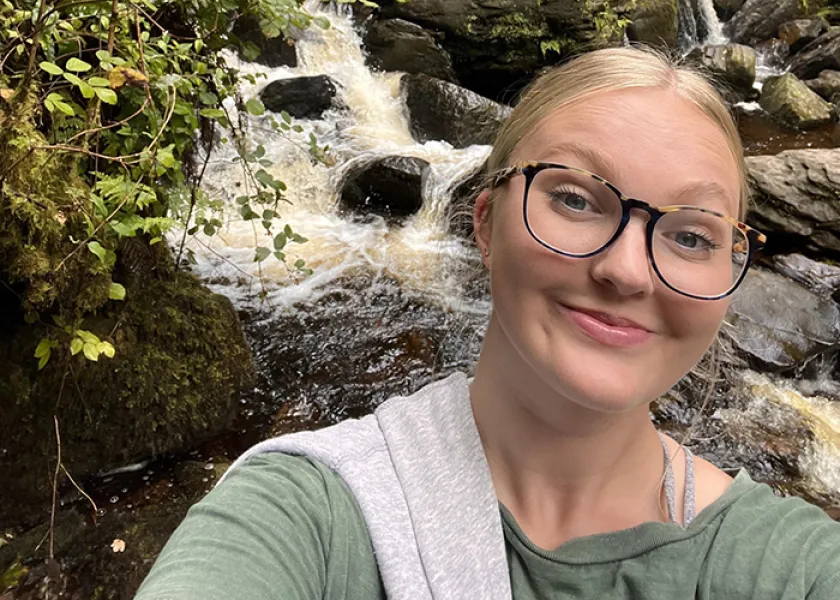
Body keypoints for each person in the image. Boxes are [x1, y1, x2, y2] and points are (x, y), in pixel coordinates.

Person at [134, 46, 840, 600]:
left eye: (692, 236)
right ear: (483, 224)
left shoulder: (793, 566)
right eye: (574, 198)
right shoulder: (302, 514)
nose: (627, 271)